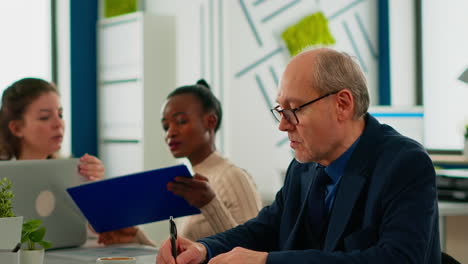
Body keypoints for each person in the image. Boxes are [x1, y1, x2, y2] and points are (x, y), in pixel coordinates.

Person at [156, 48, 441, 264]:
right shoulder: (304, 167)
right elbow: (266, 226)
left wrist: (266, 261)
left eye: (295, 108)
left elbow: (397, 259)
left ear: (342, 104)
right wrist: (204, 248)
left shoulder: (404, 163)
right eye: (280, 110)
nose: (282, 124)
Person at [97, 79, 262, 246]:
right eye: (165, 126)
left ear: (210, 122)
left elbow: (253, 250)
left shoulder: (233, 176)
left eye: (181, 121)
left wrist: (210, 204)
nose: (170, 133)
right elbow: (186, 255)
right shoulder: (191, 183)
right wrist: (135, 238)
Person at [0, 77, 104, 180]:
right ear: (17, 128)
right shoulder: (4, 178)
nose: (59, 124)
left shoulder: (73, 171)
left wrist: (93, 185)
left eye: (60, 115)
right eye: (44, 117)